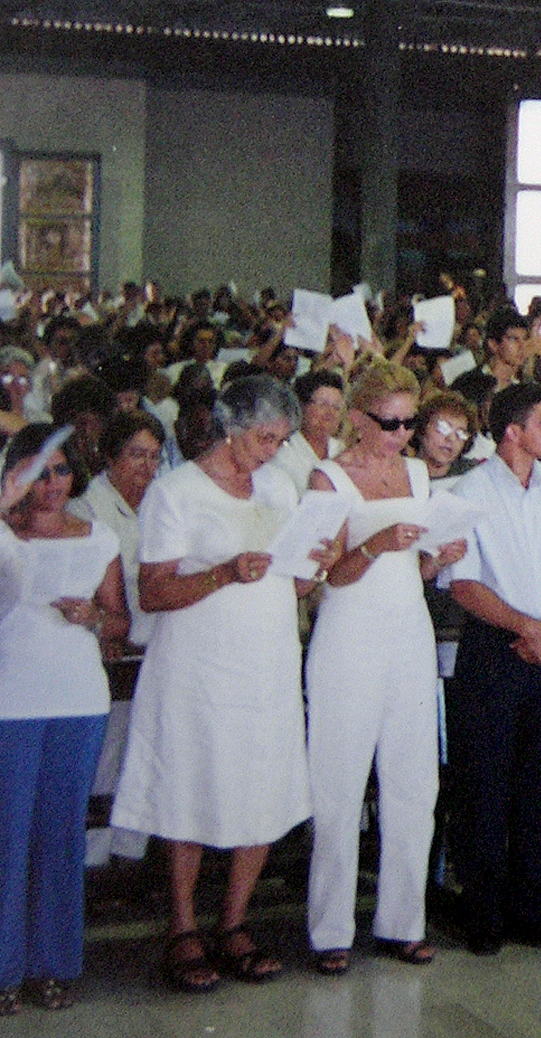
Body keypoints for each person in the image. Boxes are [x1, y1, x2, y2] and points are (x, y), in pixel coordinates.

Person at [112, 374, 341, 992]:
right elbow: (153, 592)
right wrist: (224, 573)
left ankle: (234, 923)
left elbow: (291, 582)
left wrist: (314, 566)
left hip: (266, 662)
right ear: (231, 427)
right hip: (197, 668)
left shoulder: (278, 486)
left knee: (261, 787)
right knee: (189, 786)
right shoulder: (176, 492)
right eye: (264, 438)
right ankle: (183, 927)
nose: (273, 451)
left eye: (281, 440)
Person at [304, 362, 467, 974]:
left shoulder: (419, 474)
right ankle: (329, 929)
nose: (401, 435)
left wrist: (437, 556)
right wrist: (374, 544)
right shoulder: (328, 478)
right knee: (339, 785)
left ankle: (402, 921)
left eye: (408, 423)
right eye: (389, 422)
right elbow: (325, 576)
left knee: (414, 782)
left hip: (408, 633)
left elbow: (416, 570)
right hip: (348, 635)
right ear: (357, 417)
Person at [443, 383, 541, 955]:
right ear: (513, 431)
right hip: (495, 646)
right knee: (485, 783)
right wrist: (525, 627)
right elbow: (464, 584)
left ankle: (533, 906)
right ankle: (482, 911)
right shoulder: (469, 491)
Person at [0, 427, 129, 1013]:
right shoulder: (6, 534)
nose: (51, 484)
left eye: (60, 471)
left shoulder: (98, 537)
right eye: (38, 473)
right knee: (9, 835)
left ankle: (52, 965)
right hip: (11, 698)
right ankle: (4, 969)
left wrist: (93, 617)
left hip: (78, 696)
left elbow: (120, 620)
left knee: (61, 833)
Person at [68, 409, 165, 621]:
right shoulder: (85, 510)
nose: (147, 465)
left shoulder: (163, 500)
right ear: (111, 456)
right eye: (137, 455)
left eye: (154, 456)